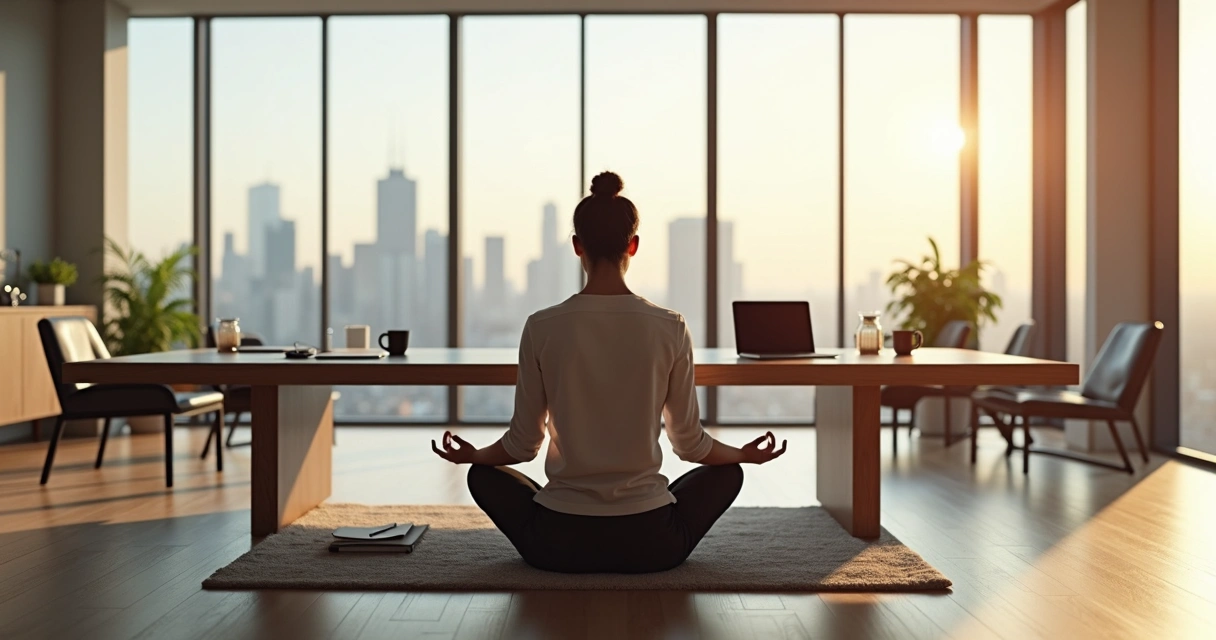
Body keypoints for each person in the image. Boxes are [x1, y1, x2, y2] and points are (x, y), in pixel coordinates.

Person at [432, 171, 787, 573]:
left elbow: (522, 444)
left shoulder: (542, 326)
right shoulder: (670, 326)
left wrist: (473, 456)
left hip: (555, 544)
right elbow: (689, 445)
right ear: (633, 246)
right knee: (728, 475)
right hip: (653, 543)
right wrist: (744, 455)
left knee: (483, 476)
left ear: (576, 246)